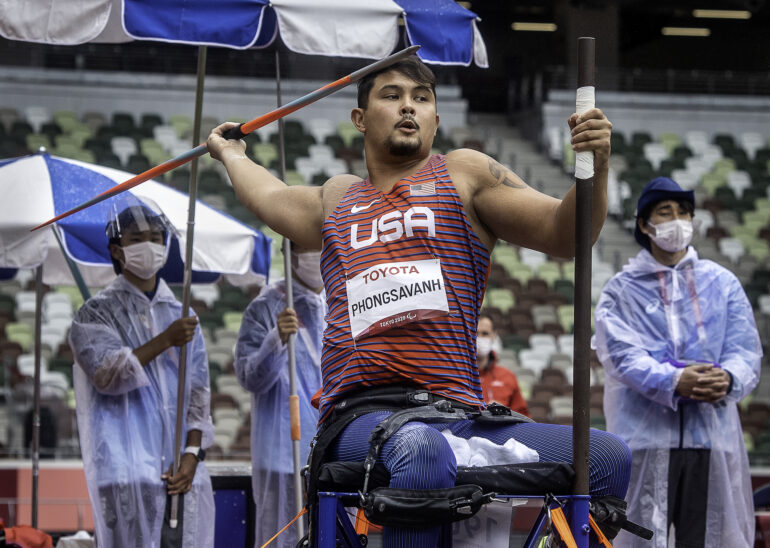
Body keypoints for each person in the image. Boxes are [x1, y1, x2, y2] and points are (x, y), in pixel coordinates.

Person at [208, 55, 631, 547]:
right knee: (421, 450)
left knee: (607, 458)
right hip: (361, 416)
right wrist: (231, 152)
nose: (408, 106)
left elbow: (567, 234)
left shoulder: (464, 174)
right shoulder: (337, 197)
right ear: (360, 119)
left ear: (435, 119)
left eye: (421, 98)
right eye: (391, 95)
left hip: (458, 413)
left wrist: (596, 166)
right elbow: (269, 195)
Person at [593, 176, 762, 547]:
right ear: (643, 224)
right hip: (645, 439)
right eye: (665, 212)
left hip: (710, 441)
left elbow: (745, 349)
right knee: (639, 536)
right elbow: (621, 355)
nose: (677, 220)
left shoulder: (723, 283)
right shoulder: (621, 290)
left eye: (683, 212)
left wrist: (730, 379)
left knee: (705, 538)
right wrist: (673, 380)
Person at [69, 204, 215, 548]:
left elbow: (198, 393)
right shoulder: (95, 313)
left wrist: (192, 453)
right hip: (124, 470)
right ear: (118, 251)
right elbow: (107, 374)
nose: (149, 245)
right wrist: (166, 340)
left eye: (155, 238)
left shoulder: (181, 313)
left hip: (179, 471)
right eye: (137, 239)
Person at [233, 241, 325, 547]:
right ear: (289, 251)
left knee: (332, 536)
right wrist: (275, 341)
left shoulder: (339, 301)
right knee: (283, 537)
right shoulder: (265, 307)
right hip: (283, 453)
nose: (319, 250)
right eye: (311, 244)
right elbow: (249, 377)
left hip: (331, 452)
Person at [477, 314, 529, 416]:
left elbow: (523, 417)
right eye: (475, 333)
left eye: (485, 333)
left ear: (494, 335)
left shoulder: (507, 376)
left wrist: (505, 413)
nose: (479, 338)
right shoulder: (456, 374)